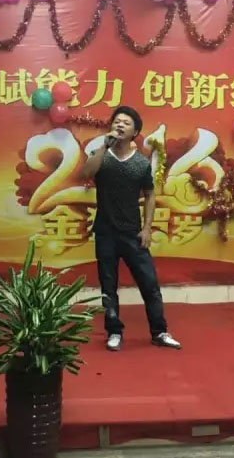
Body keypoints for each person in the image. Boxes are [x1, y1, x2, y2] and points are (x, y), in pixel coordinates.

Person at [81, 106, 181, 352]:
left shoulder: (140, 163)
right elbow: (86, 173)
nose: (120, 125)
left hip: (133, 234)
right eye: (117, 121)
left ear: (135, 132)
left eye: (126, 123)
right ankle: (114, 332)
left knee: (150, 285)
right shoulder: (101, 155)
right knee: (108, 287)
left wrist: (147, 228)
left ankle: (159, 332)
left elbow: (150, 195)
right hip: (105, 232)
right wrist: (103, 146)